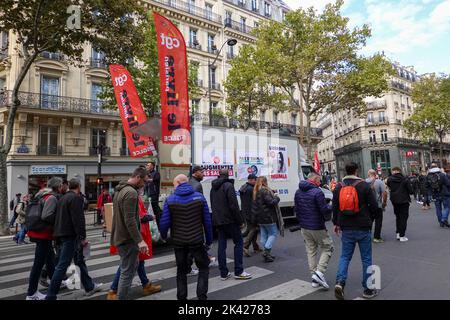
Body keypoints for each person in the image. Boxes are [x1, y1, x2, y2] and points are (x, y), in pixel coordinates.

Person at [45, 179, 102, 300]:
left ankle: (89, 286)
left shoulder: (62, 198)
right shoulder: (75, 198)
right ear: (79, 186)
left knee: (79, 261)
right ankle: (51, 295)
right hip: (70, 236)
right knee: (62, 265)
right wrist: (82, 237)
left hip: (61, 234)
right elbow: (78, 220)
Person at [160, 174, 213, 300]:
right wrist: (209, 240)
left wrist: (163, 236)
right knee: (203, 268)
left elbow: (164, 222)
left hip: (179, 242)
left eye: (173, 183)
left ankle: (182, 298)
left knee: (181, 271)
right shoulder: (199, 197)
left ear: (178, 182)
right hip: (197, 240)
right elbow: (207, 221)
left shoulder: (170, 199)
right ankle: (201, 297)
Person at [332, 162, 378, 300]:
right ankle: (368, 289)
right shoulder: (364, 185)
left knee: (345, 257)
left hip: (346, 227)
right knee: (366, 258)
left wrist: (336, 223)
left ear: (345, 171)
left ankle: (340, 282)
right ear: (357, 171)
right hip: (363, 226)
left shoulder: (339, 186)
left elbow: (335, 207)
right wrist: (371, 219)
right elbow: (374, 206)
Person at [107, 192, 162, 300]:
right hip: (134, 236)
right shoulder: (132, 197)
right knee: (127, 264)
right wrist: (149, 217)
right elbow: (134, 218)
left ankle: (146, 284)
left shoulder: (125, 195)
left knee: (138, 262)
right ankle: (113, 290)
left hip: (132, 235)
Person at [111, 167, 150, 300]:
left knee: (127, 268)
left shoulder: (120, 190)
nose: (144, 184)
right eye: (144, 181)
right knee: (127, 273)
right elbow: (129, 220)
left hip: (121, 236)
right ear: (138, 177)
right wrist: (140, 240)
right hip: (127, 239)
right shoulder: (131, 193)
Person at [210, 169, 252, 280]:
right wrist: (240, 221)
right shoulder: (228, 186)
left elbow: (213, 204)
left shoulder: (213, 187)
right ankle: (238, 271)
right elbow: (234, 205)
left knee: (221, 246)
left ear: (219, 175)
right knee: (238, 243)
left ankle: (223, 273)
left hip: (218, 221)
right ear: (228, 175)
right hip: (230, 220)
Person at [26, 177, 63, 300]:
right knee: (38, 264)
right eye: (61, 184)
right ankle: (31, 294)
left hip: (38, 232)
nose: (62, 186)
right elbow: (46, 215)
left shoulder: (41, 195)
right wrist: (57, 221)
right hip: (43, 234)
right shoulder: (51, 197)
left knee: (50, 260)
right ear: (58, 186)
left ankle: (55, 282)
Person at [295, 172, 334, 289]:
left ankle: (314, 277)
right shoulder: (317, 192)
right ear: (315, 180)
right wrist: (332, 205)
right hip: (317, 226)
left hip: (304, 226)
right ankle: (319, 273)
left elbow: (296, 209)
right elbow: (324, 210)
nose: (320, 182)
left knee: (311, 251)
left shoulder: (298, 191)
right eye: (319, 180)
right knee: (328, 247)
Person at [251, 176, 281, 263]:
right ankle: (266, 252)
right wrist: (276, 197)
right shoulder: (264, 190)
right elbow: (271, 202)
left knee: (264, 236)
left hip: (260, 218)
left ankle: (267, 253)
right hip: (268, 217)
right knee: (273, 234)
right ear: (264, 182)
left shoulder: (255, 191)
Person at [387, 167, 414, 241]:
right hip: (404, 200)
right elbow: (411, 191)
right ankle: (402, 235)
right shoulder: (405, 179)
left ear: (394, 171)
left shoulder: (389, 179)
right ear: (399, 171)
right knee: (404, 217)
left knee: (398, 217)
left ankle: (398, 233)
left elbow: (389, 187)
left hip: (394, 200)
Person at [240, 174, 261, 257]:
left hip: (245, 212)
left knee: (252, 229)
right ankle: (245, 246)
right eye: (255, 180)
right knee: (254, 229)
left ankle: (255, 247)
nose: (256, 182)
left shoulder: (244, 187)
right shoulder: (251, 189)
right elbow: (253, 203)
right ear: (252, 180)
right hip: (251, 212)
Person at [366, 169, 388, 243]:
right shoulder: (379, 182)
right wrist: (384, 203)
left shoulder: (364, 182)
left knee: (369, 221)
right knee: (378, 221)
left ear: (368, 174)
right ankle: (376, 237)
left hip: (367, 206)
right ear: (375, 174)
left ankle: (367, 237)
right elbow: (385, 193)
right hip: (377, 205)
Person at [427, 163, 450, 228]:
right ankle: (444, 219)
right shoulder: (442, 174)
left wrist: (430, 194)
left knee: (438, 208)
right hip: (444, 193)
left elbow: (427, 186)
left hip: (435, 194)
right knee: (447, 207)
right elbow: (448, 183)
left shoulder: (428, 176)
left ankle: (441, 222)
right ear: (437, 167)